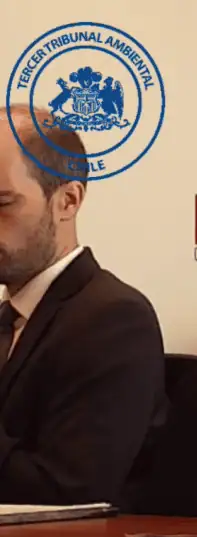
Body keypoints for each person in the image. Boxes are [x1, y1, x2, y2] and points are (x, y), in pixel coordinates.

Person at [0, 105, 167, 505]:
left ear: (68, 201)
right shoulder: (10, 320)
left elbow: (70, 492)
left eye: (2, 203)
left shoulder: (113, 320)